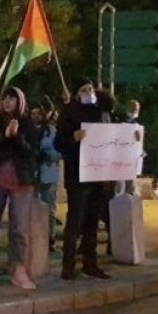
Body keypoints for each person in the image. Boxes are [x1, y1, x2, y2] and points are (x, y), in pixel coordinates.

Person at [0, 86, 38, 290]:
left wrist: (17, 136)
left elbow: (32, 151)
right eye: (5, 98)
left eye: (12, 98)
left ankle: (19, 269)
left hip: (22, 183)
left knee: (19, 229)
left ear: (20, 102)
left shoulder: (28, 124)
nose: (8, 102)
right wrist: (4, 136)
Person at [54, 77, 113, 280]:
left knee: (92, 223)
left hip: (99, 177)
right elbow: (58, 142)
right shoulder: (69, 113)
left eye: (90, 88)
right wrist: (73, 137)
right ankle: (68, 266)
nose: (89, 92)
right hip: (78, 176)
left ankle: (90, 264)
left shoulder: (103, 113)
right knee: (75, 221)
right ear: (77, 94)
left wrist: (131, 139)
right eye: (84, 90)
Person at [31, 104, 61, 252]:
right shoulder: (28, 130)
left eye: (38, 113)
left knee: (49, 208)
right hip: (32, 175)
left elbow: (58, 153)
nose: (35, 116)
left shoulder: (51, 131)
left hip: (48, 173)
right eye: (33, 113)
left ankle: (50, 238)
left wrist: (46, 153)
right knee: (34, 208)